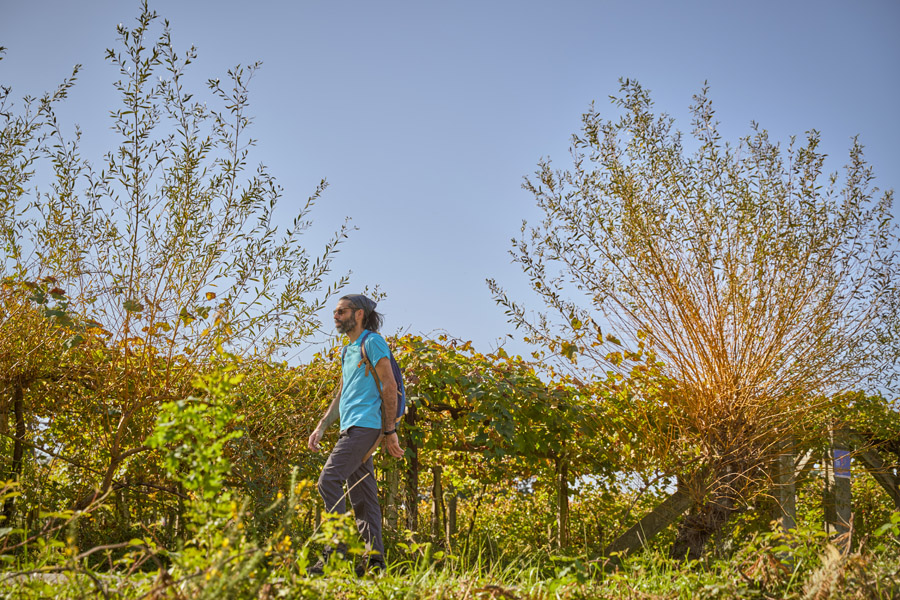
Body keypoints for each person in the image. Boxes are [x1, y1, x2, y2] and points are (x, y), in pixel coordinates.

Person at [307, 294, 403, 576]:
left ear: (359, 314)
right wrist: (322, 425)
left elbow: (389, 385)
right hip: (350, 426)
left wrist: (390, 430)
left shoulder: (372, 342)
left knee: (328, 480)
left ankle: (334, 553)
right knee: (363, 496)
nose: (335, 316)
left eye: (341, 311)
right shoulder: (348, 350)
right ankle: (375, 565)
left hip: (366, 425)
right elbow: (342, 393)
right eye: (335, 312)